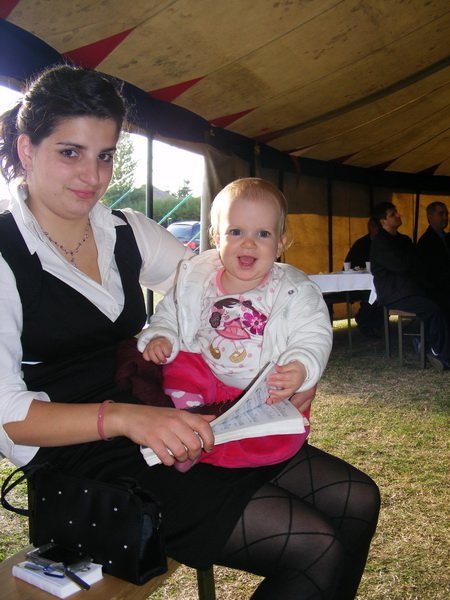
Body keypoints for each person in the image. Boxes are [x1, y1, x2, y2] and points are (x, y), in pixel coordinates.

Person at [0, 64, 380, 600]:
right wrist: (127, 418)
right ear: (26, 149)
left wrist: (297, 361)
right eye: (70, 152)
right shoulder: (5, 253)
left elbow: (231, 279)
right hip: (82, 453)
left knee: (358, 499)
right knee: (314, 546)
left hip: (165, 418)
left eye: (105, 155)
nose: (91, 175)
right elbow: (10, 418)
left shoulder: (125, 231)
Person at [138, 177, 332, 470]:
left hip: (261, 388)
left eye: (263, 233)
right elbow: (171, 311)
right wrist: (162, 334)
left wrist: (302, 365)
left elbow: (313, 332)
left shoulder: (293, 289)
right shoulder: (197, 279)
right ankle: (188, 430)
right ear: (216, 237)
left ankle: (220, 446)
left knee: (280, 436)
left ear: (280, 243)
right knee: (183, 362)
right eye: (236, 231)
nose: (249, 243)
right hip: (205, 375)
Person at [370, 201, 450, 371]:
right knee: (432, 308)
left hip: (410, 290)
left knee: (442, 301)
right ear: (383, 221)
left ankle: (428, 343)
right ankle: (437, 352)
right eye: (392, 214)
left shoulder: (403, 239)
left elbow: (417, 263)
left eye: (396, 212)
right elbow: (401, 265)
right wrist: (413, 262)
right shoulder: (381, 243)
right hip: (394, 294)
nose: (398, 215)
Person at [344, 217, 383, 338]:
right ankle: (365, 323)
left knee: (381, 295)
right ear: (371, 228)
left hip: (381, 281)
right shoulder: (361, 244)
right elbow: (350, 264)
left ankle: (375, 324)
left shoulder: (384, 243)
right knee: (371, 296)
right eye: (377, 227)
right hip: (360, 284)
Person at [416, 201, 450, 316]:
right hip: (436, 291)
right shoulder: (426, 242)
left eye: (446, 214)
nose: (445, 217)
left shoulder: (447, 238)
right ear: (430, 217)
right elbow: (430, 274)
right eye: (441, 214)